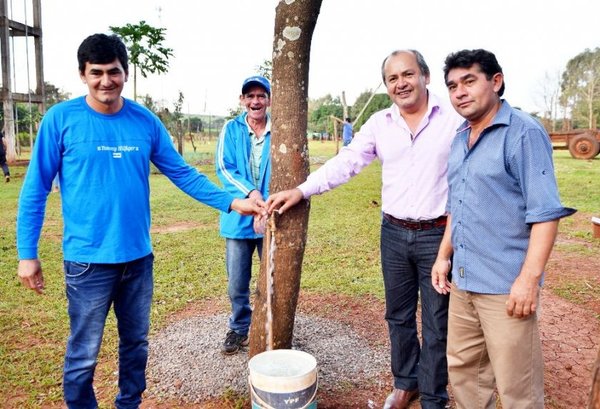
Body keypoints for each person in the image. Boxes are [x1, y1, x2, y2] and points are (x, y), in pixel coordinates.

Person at [16, 33, 265, 409]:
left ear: (125, 73)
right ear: (82, 75)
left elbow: (182, 173)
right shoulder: (60, 120)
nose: (105, 81)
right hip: (87, 263)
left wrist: (232, 201)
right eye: (96, 72)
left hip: (137, 259)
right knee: (84, 354)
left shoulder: (143, 121)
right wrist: (26, 253)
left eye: (113, 72)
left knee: (136, 344)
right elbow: (34, 189)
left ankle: (128, 404)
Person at [267, 50, 463, 409]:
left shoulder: (453, 119)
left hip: (439, 235)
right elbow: (347, 162)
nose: (401, 83)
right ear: (387, 85)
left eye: (408, 74)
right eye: (392, 78)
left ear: (426, 76)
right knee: (398, 314)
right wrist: (301, 190)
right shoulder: (379, 124)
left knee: (437, 318)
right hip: (394, 233)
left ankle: (434, 395)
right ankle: (406, 384)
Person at [431, 49, 576, 409]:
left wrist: (528, 280)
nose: (460, 92)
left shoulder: (522, 133)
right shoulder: (459, 137)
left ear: (495, 81)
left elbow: (545, 213)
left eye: (469, 81)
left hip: (505, 289)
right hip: (464, 282)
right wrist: (442, 256)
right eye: (452, 86)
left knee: (518, 388)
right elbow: (457, 204)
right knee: (466, 374)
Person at [215, 75, 271, 355]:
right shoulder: (231, 128)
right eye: (250, 96)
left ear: (269, 100)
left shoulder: (280, 128)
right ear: (242, 100)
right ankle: (238, 328)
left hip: (272, 216)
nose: (255, 101)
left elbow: (287, 171)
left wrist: (267, 205)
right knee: (238, 282)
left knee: (272, 277)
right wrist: (252, 194)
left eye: (261, 95)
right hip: (238, 220)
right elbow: (224, 169)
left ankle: (271, 328)